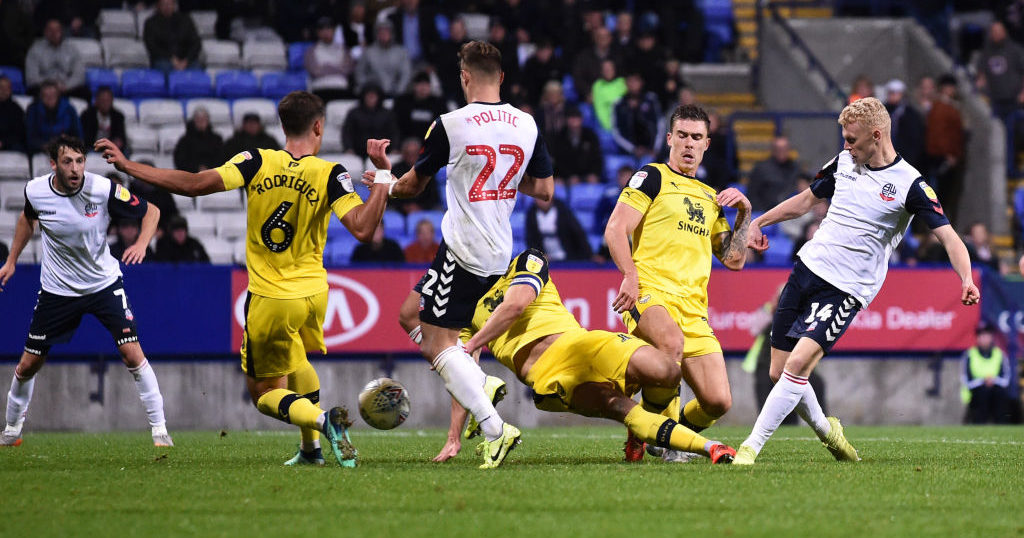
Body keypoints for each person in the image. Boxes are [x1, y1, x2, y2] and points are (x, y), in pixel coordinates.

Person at [94, 90, 391, 467]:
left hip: (271, 297)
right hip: (314, 294)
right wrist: (383, 174)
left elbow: (194, 184)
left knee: (264, 393)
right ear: (318, 126)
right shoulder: (332, 173)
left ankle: (323, 421)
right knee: (296, 358)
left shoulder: (255, 161)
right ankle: (310, 450)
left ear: (282, 126)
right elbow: (364, 229)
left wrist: (128, 166)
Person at [735, 97, 980, 465]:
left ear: (876, 135)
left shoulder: (910, 185)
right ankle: (828, 431)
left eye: (852, 139)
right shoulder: (843, 162)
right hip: (808, 269)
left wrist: (966, 278)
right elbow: (805, 201)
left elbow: (949, 237)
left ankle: (749, 449)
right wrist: (759, 221)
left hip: (846, 289)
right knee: (778, 372)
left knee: (797, 366)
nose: (846, 146)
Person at [369, 41, 554, 469]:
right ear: (501, 77)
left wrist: (382, 178)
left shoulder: (450, 125)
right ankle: (473, 380)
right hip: (498, 248)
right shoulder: (527, 124)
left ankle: (493, 424)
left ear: (464, 76)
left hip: (464, 248)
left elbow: (412, 187)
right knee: (410, 314)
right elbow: (545, 190)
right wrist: (505, 178)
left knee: (440, 346)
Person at [433, 249, 737, 464]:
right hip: (549, 377)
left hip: (582, 344)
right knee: (620, 407)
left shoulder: (527, 261)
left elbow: (514, 306)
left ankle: (643, 434)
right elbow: (464, 377)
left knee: (667, 371)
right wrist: (453, 436)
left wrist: (471, 344)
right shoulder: (464, 313)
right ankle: (711, 447)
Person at [0, 135, 171, 448]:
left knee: (132, 353)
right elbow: (27, 219)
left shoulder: (102, 189)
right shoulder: (35, 191)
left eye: (80, 161)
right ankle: (11, 430)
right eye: (68, 161)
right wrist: (11, 260)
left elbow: (153, 212)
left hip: (103, 284)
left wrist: (142, 243)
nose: (75, 168)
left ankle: (160, 430)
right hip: (57, 289)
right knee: (28, 365)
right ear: (54, 165)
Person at [604, 104, 752, 462]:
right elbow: (615, 229)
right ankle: (667, 441)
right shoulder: (651, 176)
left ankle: (652, 428)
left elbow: (734, 259)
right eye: (682, 135)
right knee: (670, 345)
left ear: (707, 144)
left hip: (693, 308)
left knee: (718, 401)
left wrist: (745, 213)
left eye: (696, 137)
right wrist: (630, 276)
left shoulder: (711, 197)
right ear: (670, 138)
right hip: (650, 293)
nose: (688, 143)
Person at [925, 75, 965, 225]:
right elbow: (938, 134)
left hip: (948, 156)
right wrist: (948, 154)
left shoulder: (950, 106)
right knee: (939, 195)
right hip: (942, 158)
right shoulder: (940, 108)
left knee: (946, 196)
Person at [961, 323, 1011, 424]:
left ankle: (1001, 425)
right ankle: (979, 424)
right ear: (977, 338)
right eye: (981, 336)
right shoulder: (970, 354)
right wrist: (983, 381)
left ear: (991, 337)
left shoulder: (999, 354)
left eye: (987, 335)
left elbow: (1006, 379)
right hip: (976, 391)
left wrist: (993, 380)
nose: (984, 339)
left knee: (999, 394)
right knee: (982, 394)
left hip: (995, 389)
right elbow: (966, 380)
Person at [973, 21, 1024, 120]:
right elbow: (981, 74)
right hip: (995, 101)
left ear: (1005, 32)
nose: (997, 34)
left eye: (999, 31)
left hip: (1016, 99)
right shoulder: (986, 53)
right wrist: (980, 84)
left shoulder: (1016, 50)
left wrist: (1023, 92)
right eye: (994, 31)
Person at [24, 19, 85, 99]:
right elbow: (31, 77)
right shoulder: (35, 49)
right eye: (50, 30)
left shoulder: (72, 49)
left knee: (84, 92)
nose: (54, 33)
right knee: (32, 91)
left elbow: (79, 75)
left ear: (62, 32)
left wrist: (66, 86)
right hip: (43, 87)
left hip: (66, 87)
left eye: (57, 30)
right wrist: (51, 86)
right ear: (45, 32)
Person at [611, 71, 664, 162]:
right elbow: (616, 132)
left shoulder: (651, 100)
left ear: (641, 83)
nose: (633, 84)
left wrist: (655, 149)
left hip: (651, 152)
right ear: (626, 83)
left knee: (648, 164)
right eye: (630, 81)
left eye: (636, 81)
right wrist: (633, 149)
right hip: (627, 153)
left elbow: (660, 125)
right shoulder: (619, 104)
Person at [525, 196, 593, 262]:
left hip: (567, 257)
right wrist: (539, 255)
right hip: (546, 259)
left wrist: (589, 255)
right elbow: (531, 239)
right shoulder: (531, 214)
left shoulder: (562, 210)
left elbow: (577, 233)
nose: (542, 202)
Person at [355, 20, 412, 97]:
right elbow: (359, 73)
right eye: (381, 33)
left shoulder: (401, 52)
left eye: (386, 32)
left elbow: (406, 74)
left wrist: (399, 90)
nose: (384, 35)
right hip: (373, 94)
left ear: (392, 34)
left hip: (395, 93)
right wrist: (368, 88)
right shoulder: (368, 52)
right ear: (376, 35)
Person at [747, 136, 804, 212]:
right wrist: (762, 214)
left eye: (785, 149)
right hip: (767, 212)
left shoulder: (795, 168)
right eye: (779, 149)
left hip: (791, 211)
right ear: (773, 150)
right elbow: (752, 195)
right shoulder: (761, 168)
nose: (782, 152)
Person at [143, 0, 202, 73]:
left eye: (170, 4)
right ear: (158, 6)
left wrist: (186, 60)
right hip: (163, 59)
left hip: (186, 59)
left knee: (196, 70)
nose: (167, 7)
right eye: (164, 4)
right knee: (165, 68)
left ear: (174, 5)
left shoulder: (186, 20)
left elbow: (196, 43)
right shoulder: (150, 23)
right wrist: (171, 58)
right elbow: (152, 47)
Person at [342, 84, 398, 159]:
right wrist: (349, 148)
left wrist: (394, 148)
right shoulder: (354, 113)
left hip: (383, 151)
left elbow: (394, 133)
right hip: (358, 151)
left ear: (379, 98)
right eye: (369, 96)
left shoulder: (387, 114)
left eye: (373, 97)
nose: (371, 99)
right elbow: (347, 132)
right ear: (363, 97)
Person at [549, 106, 603, 185]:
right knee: (557, 183)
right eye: (571, 119)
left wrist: (594, 174)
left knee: (594, 180)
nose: (574, 122)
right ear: (566, 120)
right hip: (565, 177)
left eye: (576, 119)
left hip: (587, 175)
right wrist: (569, 177)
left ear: (581, 120)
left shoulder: (591, 136)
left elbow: (597, 157)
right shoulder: (559, 137)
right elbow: (558, 161)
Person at [26, 80, 83, 154]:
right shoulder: (33, 109)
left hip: (66, 150)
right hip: (40, 151)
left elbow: (78, 136)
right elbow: (30, 137)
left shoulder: (69, 109)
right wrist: (44, 146)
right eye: (46, 95)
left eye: (53, 95)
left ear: (58, 95)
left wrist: (67, 141)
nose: (50, 98)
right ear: (41, 96)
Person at [393, 72, 447, 143]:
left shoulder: (438, 104)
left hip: (431, 141)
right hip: (407, 141)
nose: (423, 88)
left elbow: (442, 126)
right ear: (414, 86)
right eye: (420, 84)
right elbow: (397, 126)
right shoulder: (403, 102)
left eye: (426, 85)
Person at [883, 79, 926, 169]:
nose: (893, 96)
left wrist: (911, 159)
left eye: (896, 93)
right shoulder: (882, 111)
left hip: (905, 159)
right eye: (891, 93)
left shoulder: (910, 114)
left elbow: (916, 138)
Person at [390, 138, 439, 214]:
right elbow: (391, 192)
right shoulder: (395, 170)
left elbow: (433, 195)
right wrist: (403, 207)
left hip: (424, 209)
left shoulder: (428, 169)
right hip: (399, 210)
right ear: (403, 154)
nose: (411, 156)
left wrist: (420, 207)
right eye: (409, 153)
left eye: (414, 153)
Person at [173, 107, 224, 173]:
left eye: (203, 119)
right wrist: (197, 168)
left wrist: (208, 168)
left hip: (213, 174)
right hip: (191, 175)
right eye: (198, 119)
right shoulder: (184, 141)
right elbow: (180, 161)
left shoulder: (217, 140)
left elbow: (221, 159)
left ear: (208, 120)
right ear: (194, 121)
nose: (201, 122)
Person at [81, 86, 126, 151]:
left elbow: (121, 138)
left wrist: (118, 142)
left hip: (111, 149)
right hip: (91, 149)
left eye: (108, 100)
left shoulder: (118, 116)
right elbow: (84, 138)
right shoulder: (87, 115)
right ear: (96, 101)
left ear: (112, 101)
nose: (105, 103)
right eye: (103, 100)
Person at [0, 76, 26, 153]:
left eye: (7, 88)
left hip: (10, 146)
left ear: (11, 90)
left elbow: (19, 134)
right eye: (1, 87)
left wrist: (3, 142)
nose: (4, 90)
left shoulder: (17, 109)